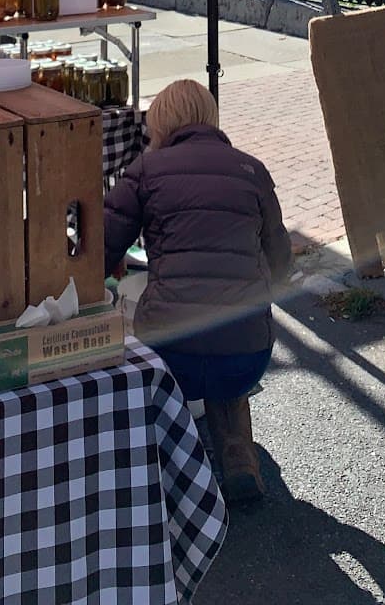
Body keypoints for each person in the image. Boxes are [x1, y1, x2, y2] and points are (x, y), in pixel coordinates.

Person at [104, 78, 293, 506]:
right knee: (227, 344)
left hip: (172, 350)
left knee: (159, 352)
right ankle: (238, 456)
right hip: (248, 353)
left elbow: (101, 249)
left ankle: (165, 467)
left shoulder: (146, 171)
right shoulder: (251, 170)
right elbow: (282, 264)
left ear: (160, 123)